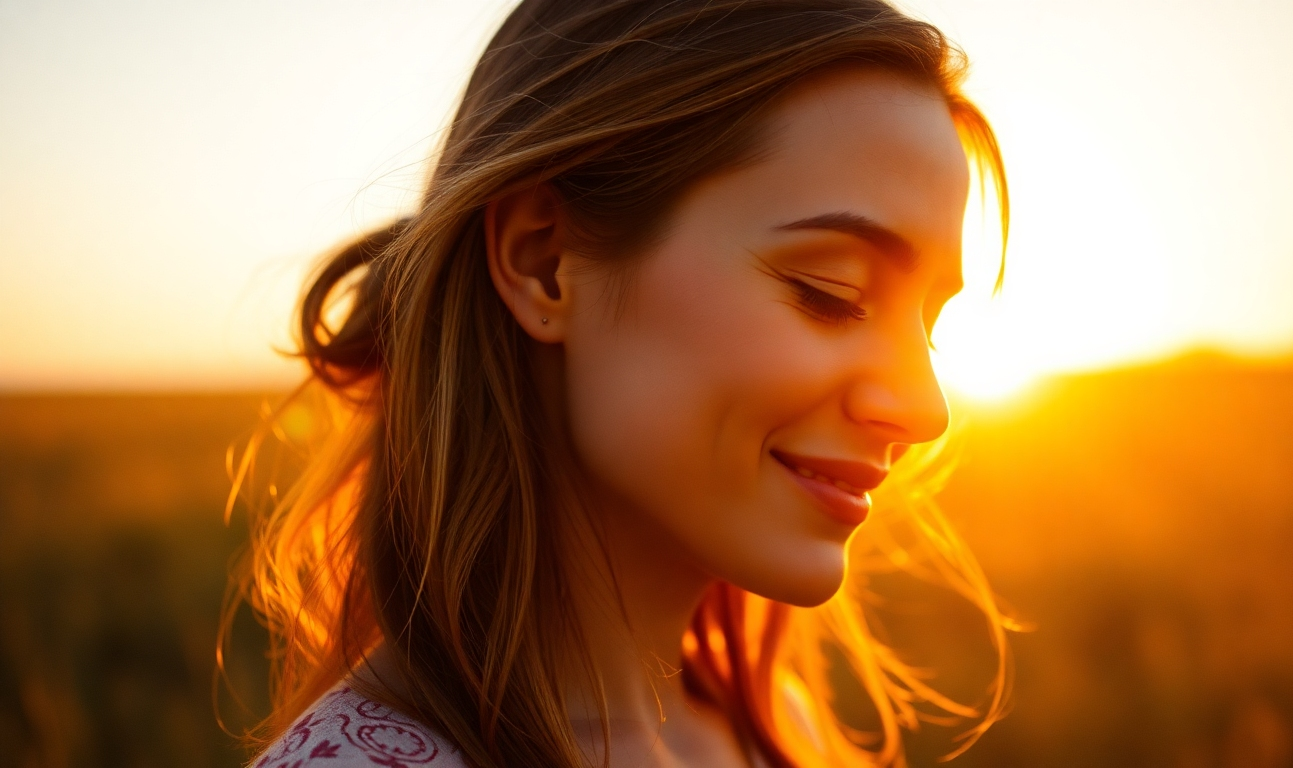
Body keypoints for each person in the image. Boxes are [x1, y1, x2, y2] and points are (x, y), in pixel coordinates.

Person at [232, 0, 1013, 766]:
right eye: (830, 292)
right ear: (543, 262)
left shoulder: (780, 731)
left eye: (929, 326)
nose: (923, 410)